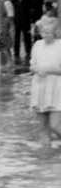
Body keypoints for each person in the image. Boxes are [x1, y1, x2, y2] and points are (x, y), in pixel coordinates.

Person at [30, 17, 61, 150]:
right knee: (43, 126)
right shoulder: (37, 45)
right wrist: (35, 69)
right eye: (42, 32)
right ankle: (46, 156)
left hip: (56, 86)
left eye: (48, 32)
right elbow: (32, 65)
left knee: (55, 126)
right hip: (40, 85)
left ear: (56, 31)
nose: (45, 35)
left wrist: (47, 70)